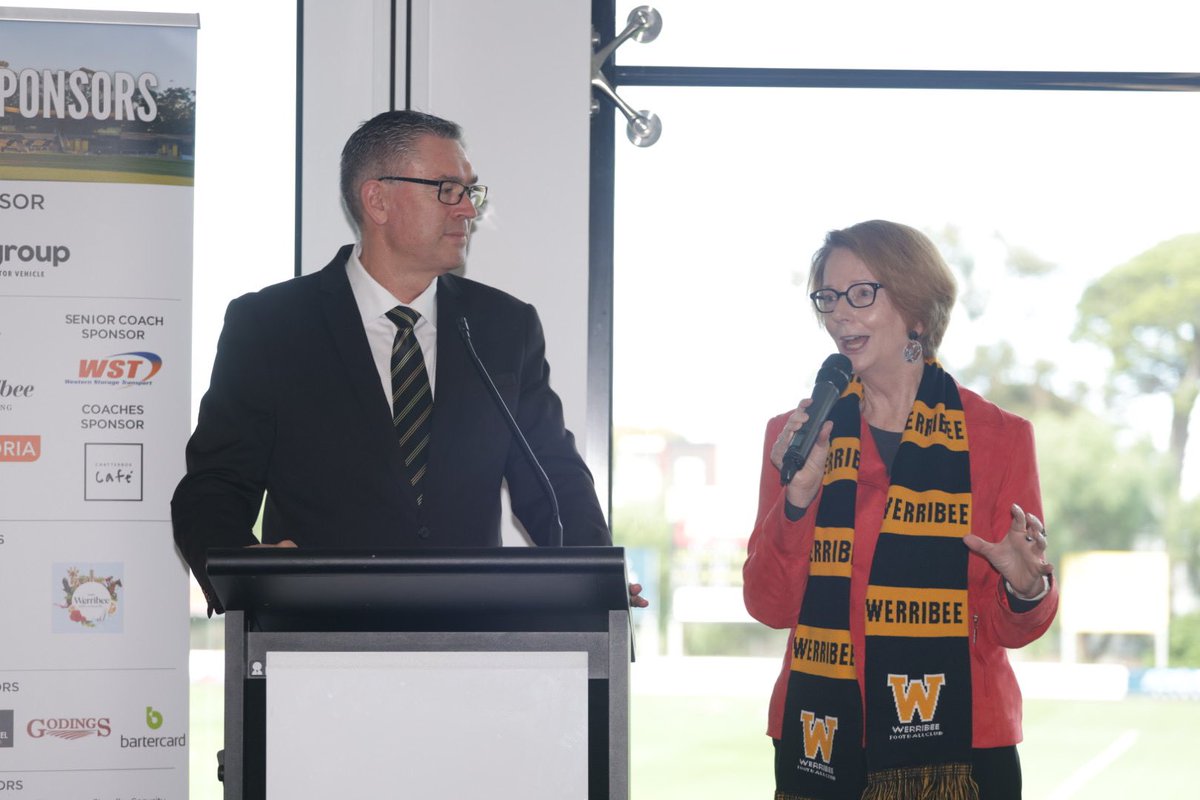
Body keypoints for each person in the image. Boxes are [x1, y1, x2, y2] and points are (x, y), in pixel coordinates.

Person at [172, 109, 645, 613]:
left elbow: (553, 478)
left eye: (469, 191)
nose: (467, 210)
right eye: (446, 189)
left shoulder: (504, 328)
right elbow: (215, 484)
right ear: (377, 199)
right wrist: (245, 570)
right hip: (316, 638)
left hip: (475, 638)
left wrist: (596, 578)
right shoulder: (272, 326)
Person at [743, 220, 1056, 800]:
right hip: (821, 739)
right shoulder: (796, 438)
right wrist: (799, 497)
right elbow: (768, 604)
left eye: (862, 294)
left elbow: (1016, 629)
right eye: (828, 299)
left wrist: (1025, 591)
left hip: (962, 747)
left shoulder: (999, 439)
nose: (840, 315)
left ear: (916, 308)